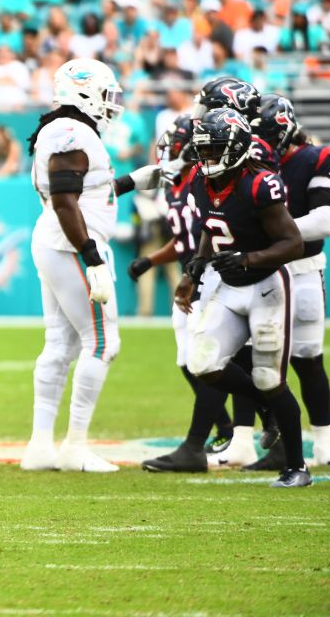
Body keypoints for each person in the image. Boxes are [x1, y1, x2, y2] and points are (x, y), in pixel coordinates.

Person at [141, 108, 312, 488]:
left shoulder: (260, 184)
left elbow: (292, 243)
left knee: (270, 377)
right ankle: (268, 406)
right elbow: (208, 225)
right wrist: (193, 271)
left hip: (266, 286)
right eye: (204, 152)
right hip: (228, 286)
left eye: (215, 151)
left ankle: (297, 466)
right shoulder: (202, 181)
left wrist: (249, 258)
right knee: (204, 363)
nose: (207, 159)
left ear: (235, 149)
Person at [20, 58, 162, 473]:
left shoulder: (65, 129)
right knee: (102, 343)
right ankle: (74, 445)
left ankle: (41, 446)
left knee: (60, 345)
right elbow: (66, 202)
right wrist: (92, 256)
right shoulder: (70, 131)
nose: (111, 102)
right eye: (106, 92)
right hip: (70, 244)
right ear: (84, 91)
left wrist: (134, 181)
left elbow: (84, 192)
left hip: (57, 240)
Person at [224, 95, 330, 468]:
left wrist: (273, 234)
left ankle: (324, 443)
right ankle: (244, 438)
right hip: (262, 271)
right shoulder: (247, 158)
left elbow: (326, 221)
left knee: (307, 358)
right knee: (246, 355)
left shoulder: (316, 157)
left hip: (303, 267)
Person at [128, 115, 236, 451]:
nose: (168, 148)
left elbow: (207, 234)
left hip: (214, 274)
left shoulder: (202, 181)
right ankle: (225, 426)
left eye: (174, 141)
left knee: (213, 359)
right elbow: (183, 239)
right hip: (192, 273)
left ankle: (255, 420)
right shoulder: (174, 183)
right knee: (187, 360)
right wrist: (150, 260)